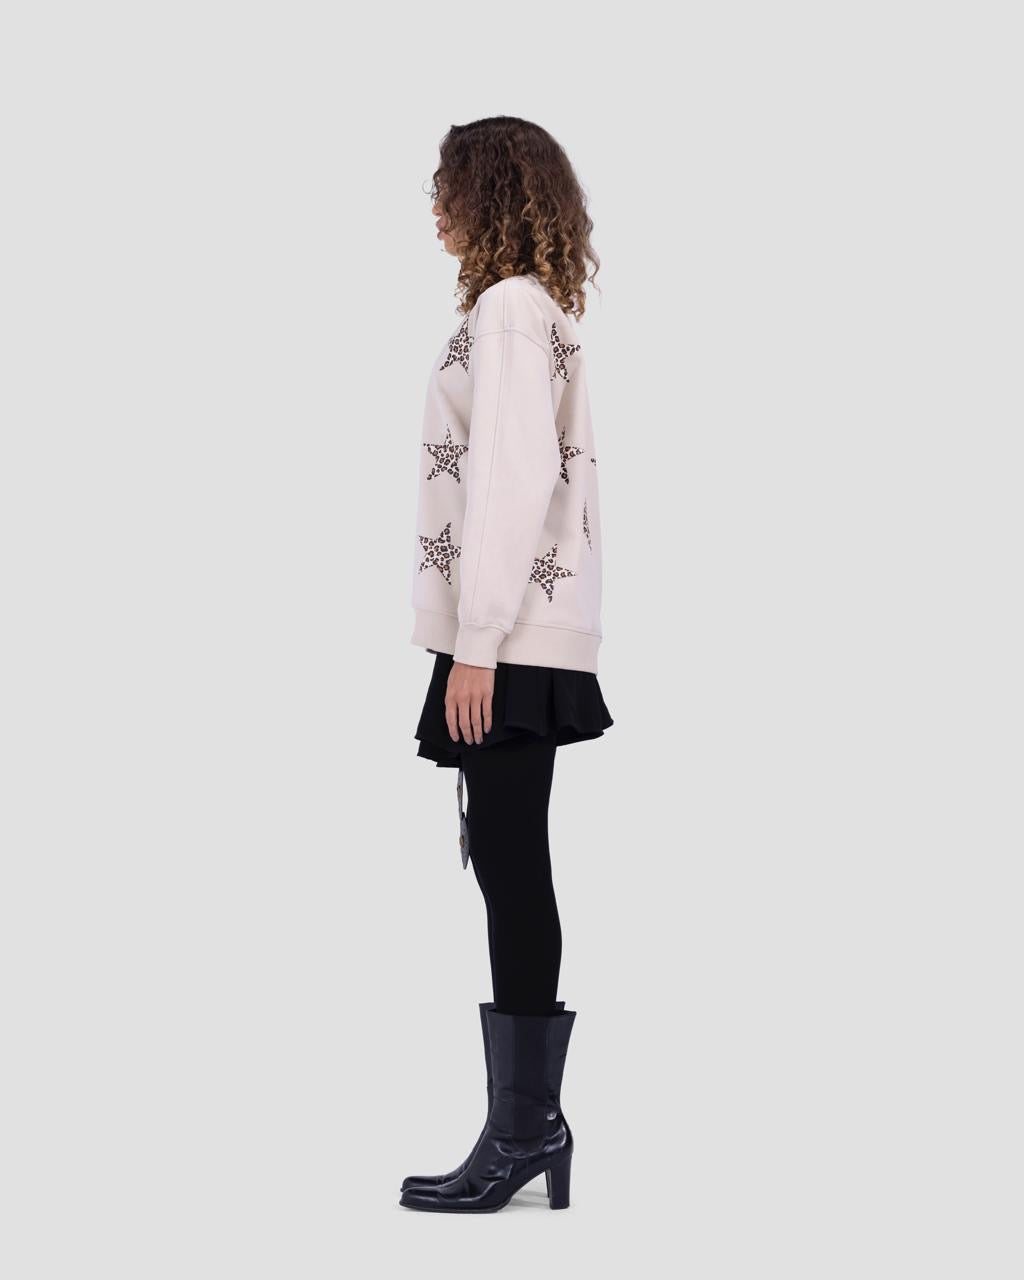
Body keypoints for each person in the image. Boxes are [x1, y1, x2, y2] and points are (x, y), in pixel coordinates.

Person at [400, 116, 613, 1214]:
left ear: (487, 193)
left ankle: (527, 1129)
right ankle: (527, 1126)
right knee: (508, 855)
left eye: (448, 187)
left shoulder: (510, 311)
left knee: (514, 862)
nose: (435, 207)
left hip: (510, 637)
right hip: (515, 632)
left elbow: (510, 481)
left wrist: (473, 646)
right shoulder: (527, 309)